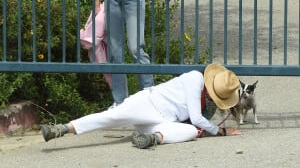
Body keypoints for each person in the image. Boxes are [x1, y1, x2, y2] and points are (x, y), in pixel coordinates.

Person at [40, 63, 242, 149]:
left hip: (163, 121)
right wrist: (220, 131)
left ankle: (150, 139)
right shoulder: (195, 79)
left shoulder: (205, 95)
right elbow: (198, 118)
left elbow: (194, 124)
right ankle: (61, 129)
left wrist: (213, 129)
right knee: (111, 117)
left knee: (189, 131)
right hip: (148, 103)